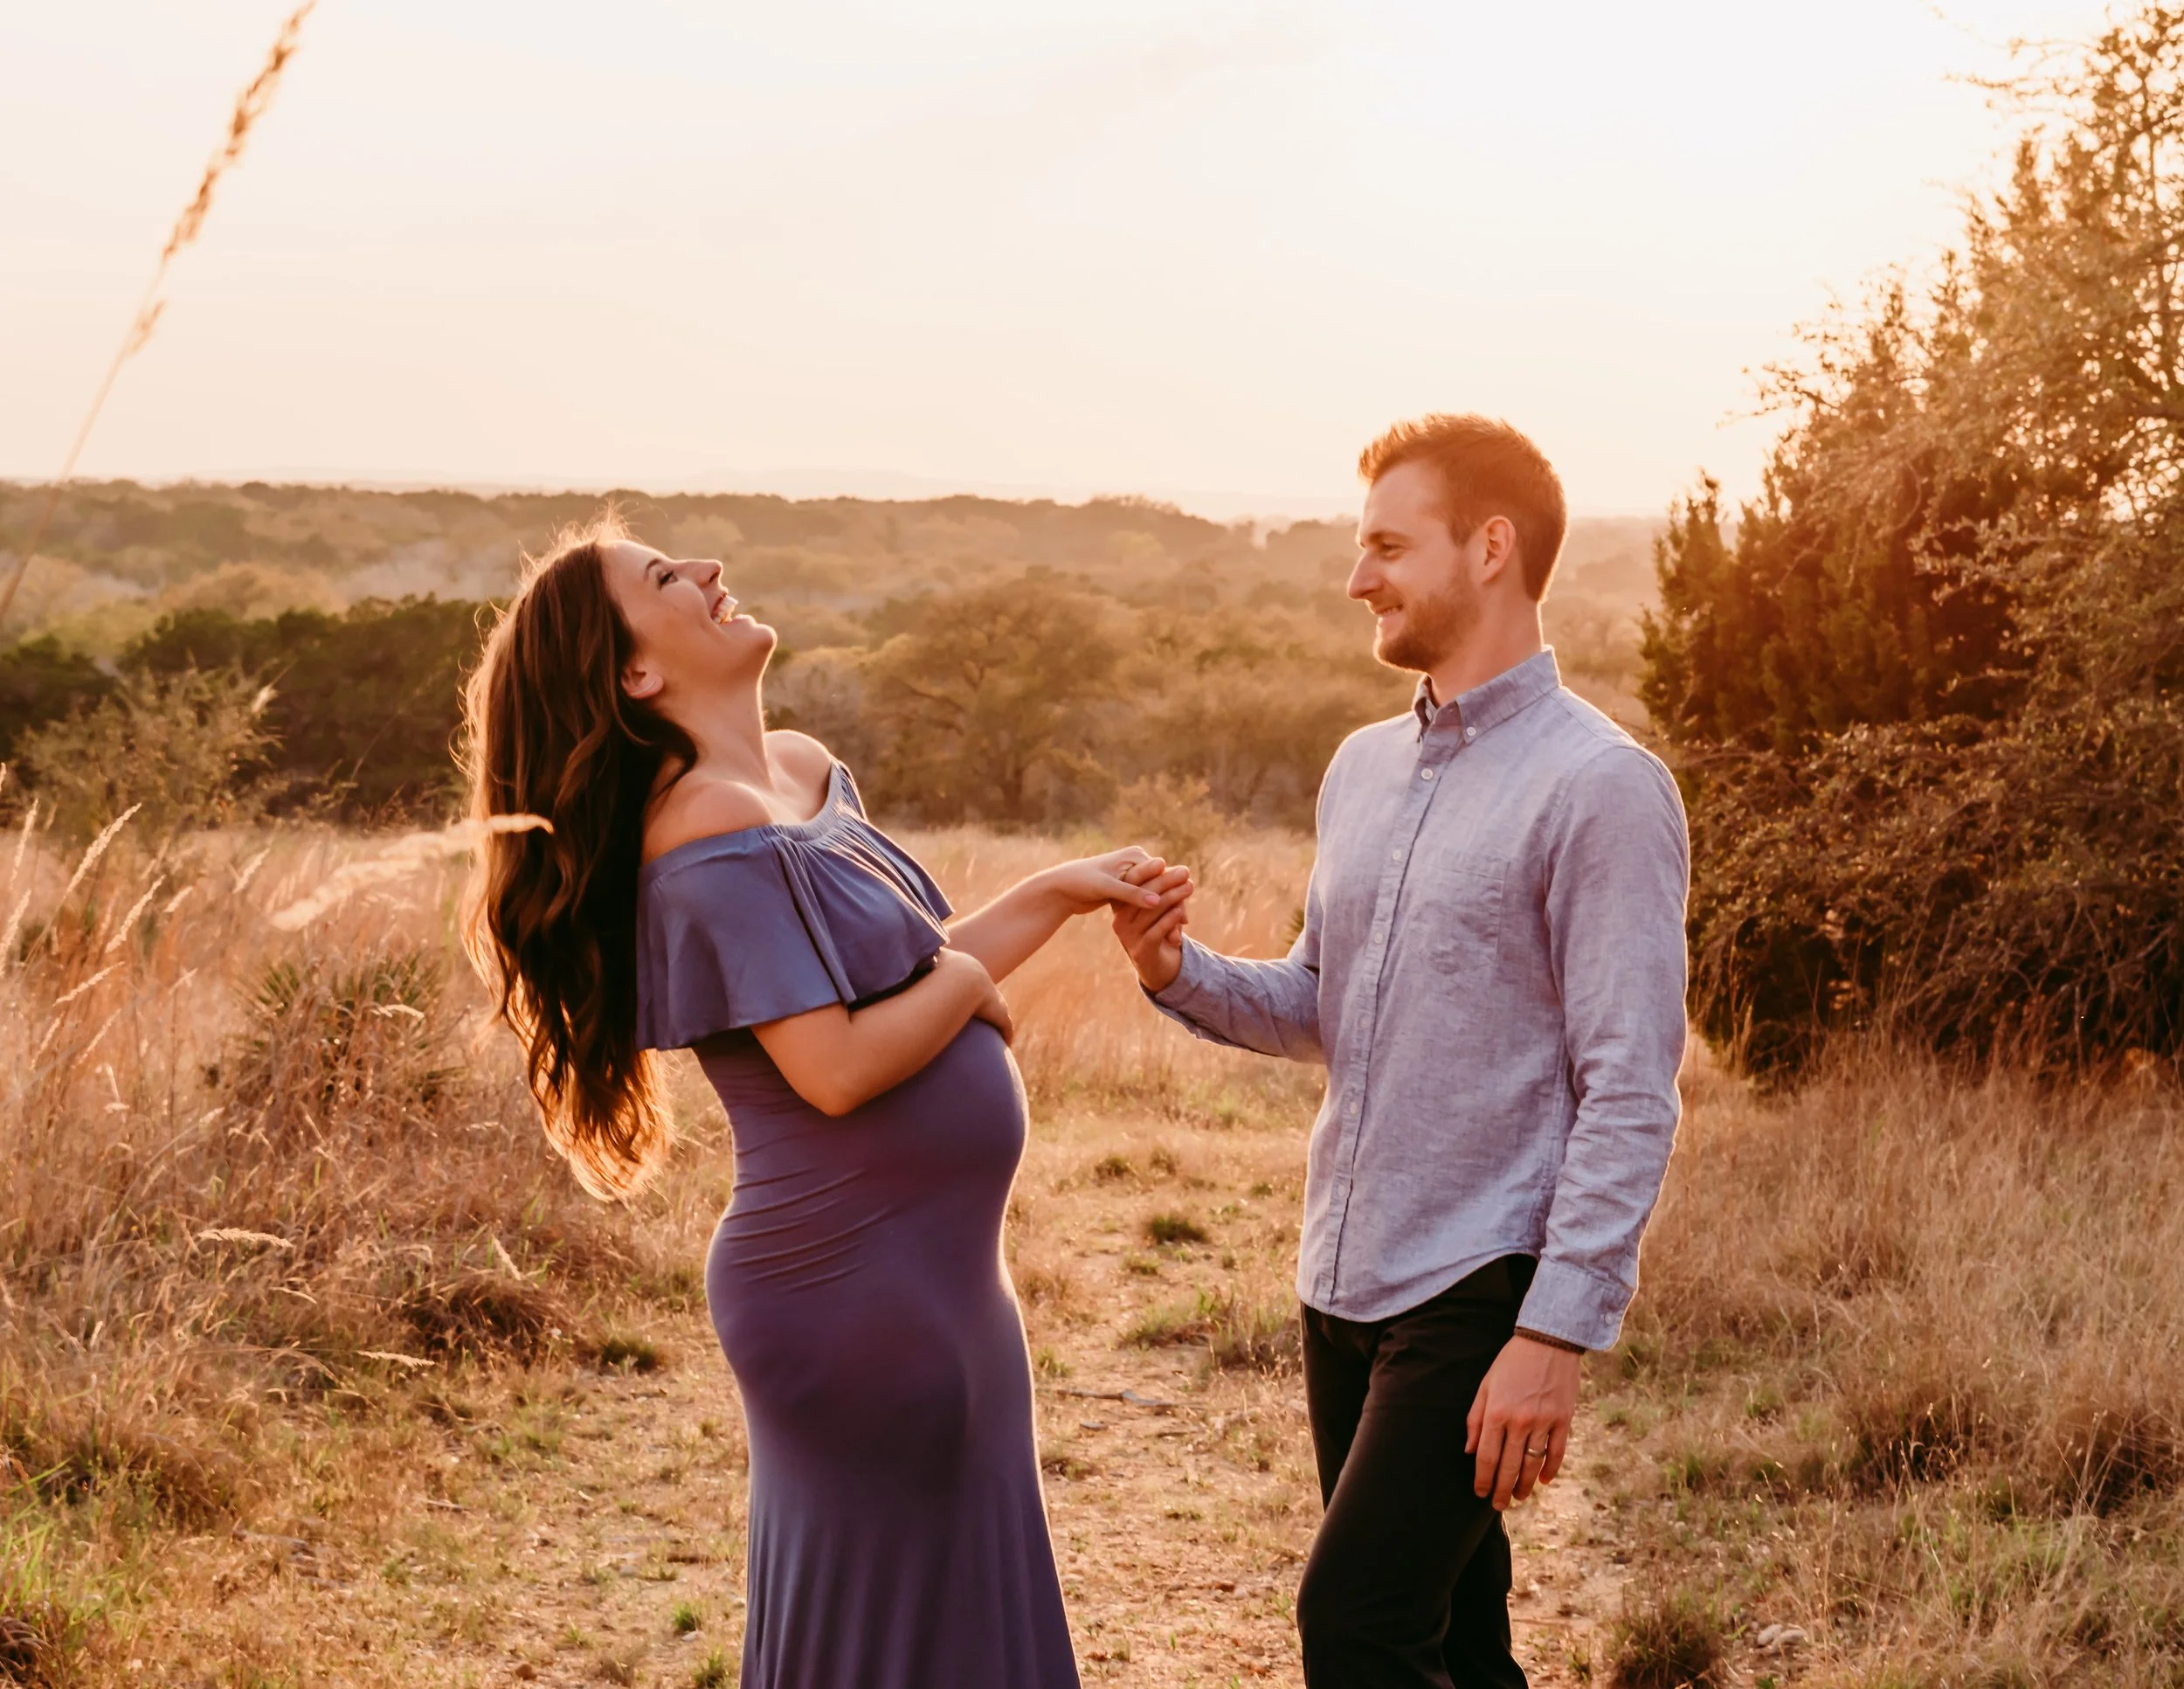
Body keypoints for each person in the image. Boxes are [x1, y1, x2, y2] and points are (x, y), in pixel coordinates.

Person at [460, 516, 1185, 1689]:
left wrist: (1054, 895)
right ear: (637, 674)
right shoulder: (702, 829)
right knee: (891, 1648)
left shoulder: (791, 772)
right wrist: (963, 990)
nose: (705, 570)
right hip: (847, 1299)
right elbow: (838, 1069)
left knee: (961, 1631)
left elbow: (912, 970)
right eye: (663, 579)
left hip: (946, 1291)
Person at [1114, 414, 1690, 1689]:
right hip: (1344, 1276)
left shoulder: (1602, 787)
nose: (1356, 578)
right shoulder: (1361, 769)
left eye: (1385, 545)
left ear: (1490, 548)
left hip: (1479, 1290)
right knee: (1455, 1649)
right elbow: (1329, 1004)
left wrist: (1555, 1334)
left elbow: (1631, 1087)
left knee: (1358, 1626)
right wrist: (1174, 970)